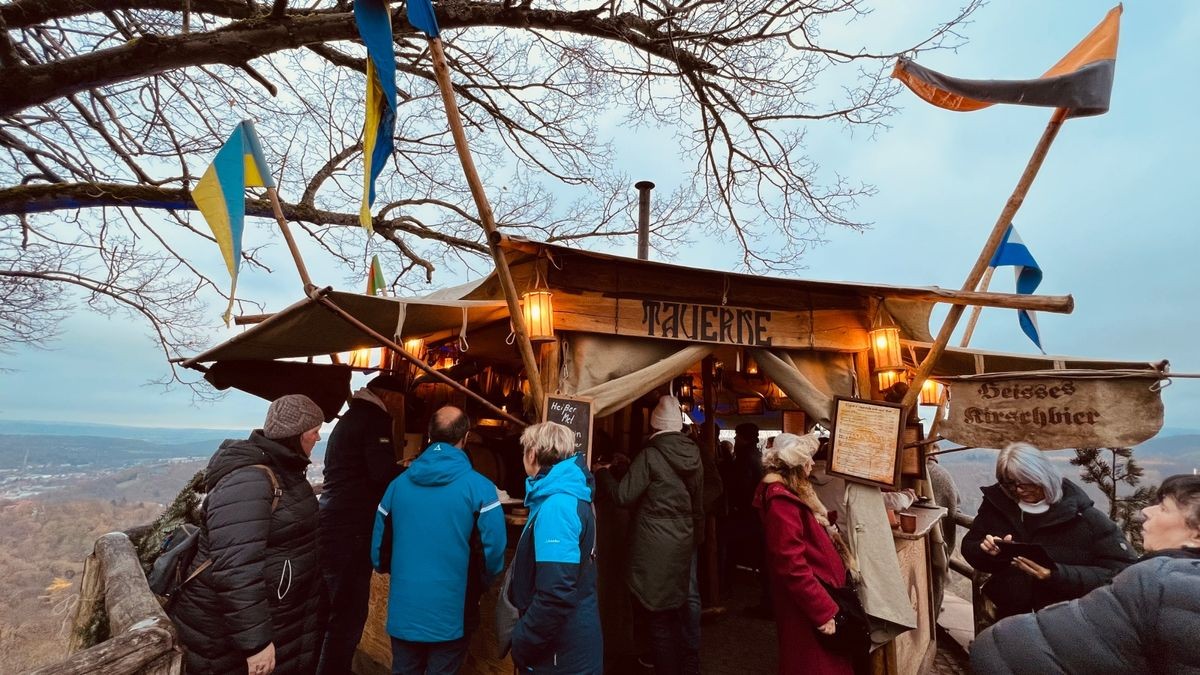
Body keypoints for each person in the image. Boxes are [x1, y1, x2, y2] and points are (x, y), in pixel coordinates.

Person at [971, 474, 1200, 674]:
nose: (1146, 511)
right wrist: (993, 553)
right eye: (1010, 483)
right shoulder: (1165, 576)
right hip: (1010, 643)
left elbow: (1115, 569)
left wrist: (1057, 574)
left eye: (1163, 508)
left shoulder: (1177, 586)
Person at [170, 394, 326, 675]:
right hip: (228, 636)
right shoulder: (249, 481)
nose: (318, 438)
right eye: (314, 432)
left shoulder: (284, 471)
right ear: (295, 436)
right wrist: (256, 644)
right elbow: (235, 568)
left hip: (276, 618)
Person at [371, 406, 506, 675]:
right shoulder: (480, 489)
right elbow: (493, 554)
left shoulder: (396, 486)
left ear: (429, 436)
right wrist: (482, 584)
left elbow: (378, 553)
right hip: (453, 611)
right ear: (465, 437)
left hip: (405, 609)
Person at [961, 442, 1136, 619]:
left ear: (1044, 476)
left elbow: (1123, 574)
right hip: (1007, 617)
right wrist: (988, 551)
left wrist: (1055, 575)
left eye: (1028, 483)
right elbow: (970, 547)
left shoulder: (1085, 517)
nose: (1019, 490)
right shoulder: (997, 505)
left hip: (1064, 621)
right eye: (1011, 484)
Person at [595, 395, 702, 675]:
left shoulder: (651, 455)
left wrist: (603, 474)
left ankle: (666, 668)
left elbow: (623, 495)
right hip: (682, 538)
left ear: (654, 426)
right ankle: (683, 664)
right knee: (671, 611)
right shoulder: (694, 454)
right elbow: (696, 501)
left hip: (653, 542)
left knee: (656, 617)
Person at [317, 374, 406, 675]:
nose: (400, 405)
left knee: (332, 608)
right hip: (352, 525)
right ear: (388, 395)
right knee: (349, 612)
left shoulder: (352, 417)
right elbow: (380, 473)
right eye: (399, 398)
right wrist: (408, 472)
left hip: (333, 519)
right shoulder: (374, 419)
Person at [754, 433, 858, 675]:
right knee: (814, 665)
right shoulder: (781, 500)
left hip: (815, 594)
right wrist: (822, 611)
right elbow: (791, 564)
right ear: (794, 465)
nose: (812, 464)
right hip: (807, 605)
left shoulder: (790, 495)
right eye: (807, 460)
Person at [508, 421, 602, 674]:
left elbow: (555, 593)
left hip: (560, 653)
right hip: (569, 644)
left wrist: (523, 641)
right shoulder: (567, 493)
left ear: (532, 454)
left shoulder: (558, 506)